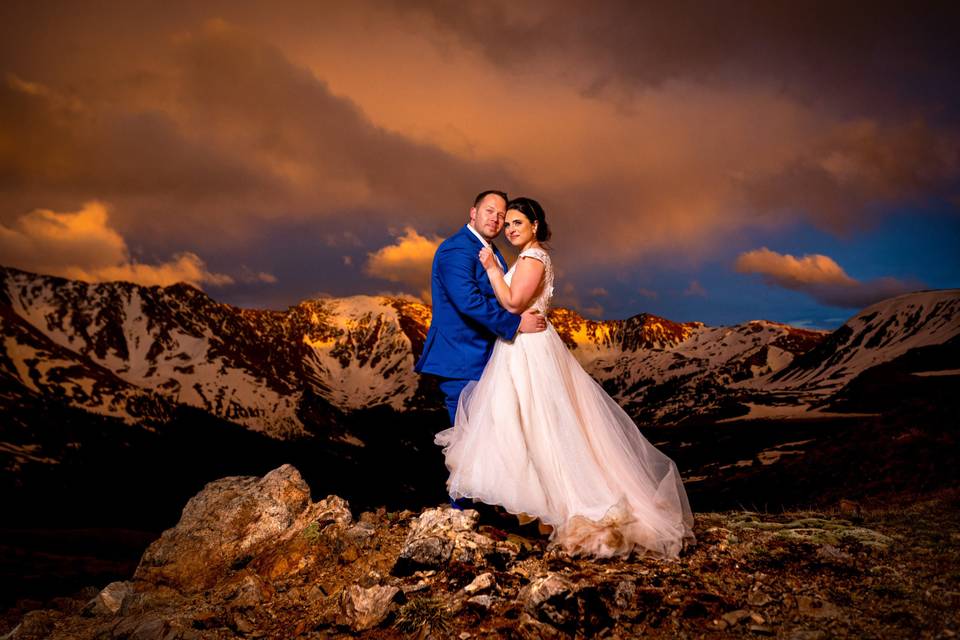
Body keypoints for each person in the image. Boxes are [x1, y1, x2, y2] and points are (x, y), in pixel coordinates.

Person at [434, 197, 696, 559]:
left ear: (535, 226)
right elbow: (480, 302)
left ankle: (538, 508)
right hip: (517, 344)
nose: (507, 228)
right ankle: (503, 511)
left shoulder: (531, 257)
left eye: (515, 222)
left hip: (527, 346)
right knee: (523, 424)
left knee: (540, 424)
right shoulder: (477, 251)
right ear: (473, 213)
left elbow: (512, 303)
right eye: (504, 222)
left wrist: (495, 271)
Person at [414, 190, 547, 426]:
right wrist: (515, 323)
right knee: (469, 442)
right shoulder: (457, 249)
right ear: (473, 213)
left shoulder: (490, 251)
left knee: (489, 439)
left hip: (484, 357)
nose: (495, 219)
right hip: (463, 358)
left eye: (501, 215)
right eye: (489, 211)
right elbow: (468, 301)